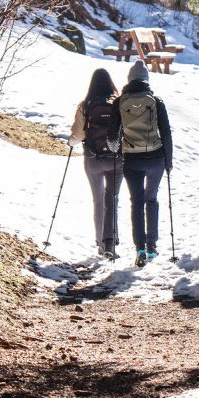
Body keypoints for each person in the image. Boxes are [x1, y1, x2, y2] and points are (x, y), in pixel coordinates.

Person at [116, 60, 173, 267]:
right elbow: (165, 132)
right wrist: (169, 160)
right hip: (155, 158)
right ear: (146, 80)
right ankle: (152, 246)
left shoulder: (120, 101)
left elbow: (113, 134)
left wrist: (116, 147)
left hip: (132, 159)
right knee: (152, 199)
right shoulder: (156, 101)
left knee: (136, 202)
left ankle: (139, 247)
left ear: (129, 80)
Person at [69, 68, 123, 259]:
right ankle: (111, 241)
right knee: (113, 199)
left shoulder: (86, 104)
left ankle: (101, 243)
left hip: (93, 159)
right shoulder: (118, 103)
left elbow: (78, 135)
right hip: (116, 159)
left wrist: (70, 142)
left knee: (98, 200)